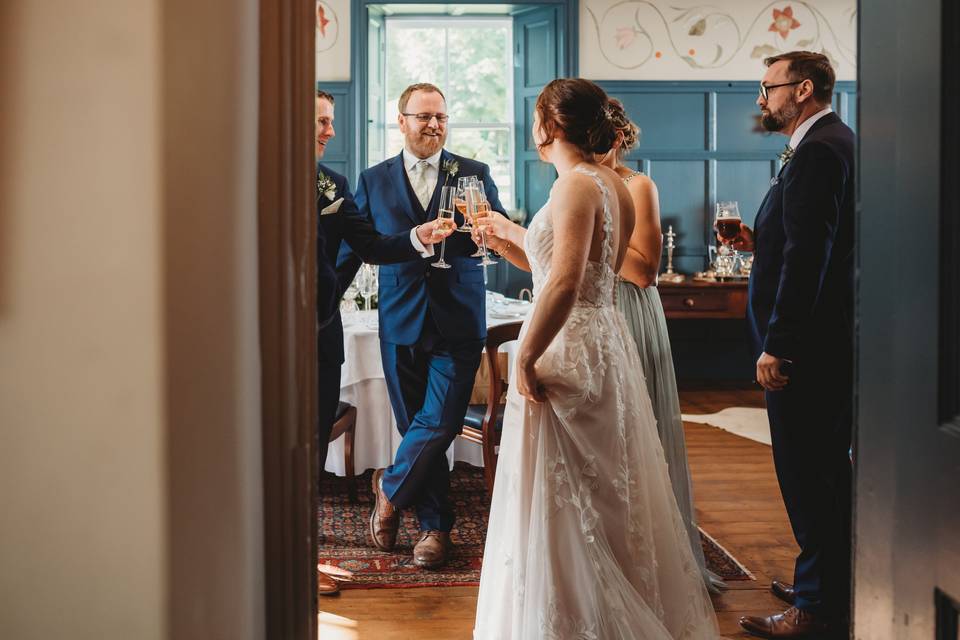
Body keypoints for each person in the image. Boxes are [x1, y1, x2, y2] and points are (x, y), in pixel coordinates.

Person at [472, 78, 719, 639]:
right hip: (605, 340)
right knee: (604, 490)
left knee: (565, 498)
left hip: (570, 348)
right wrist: (506, 241)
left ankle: (577, 620)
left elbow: (564, 283)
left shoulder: (573, 187)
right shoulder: (611, 182)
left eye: (535, 115)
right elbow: (568, 270)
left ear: (549, 125)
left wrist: (526, 358)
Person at [343, 83, 507, 569]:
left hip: (458, 317)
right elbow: (363, 246)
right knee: (414, 424)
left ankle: (389, 486)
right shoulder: (373, 180)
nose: (434, 125)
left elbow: (493, 230)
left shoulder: (472, 172)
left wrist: (489, 231)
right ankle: (434, 529)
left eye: (440, 117)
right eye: (423, 117)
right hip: (400, 318)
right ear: (402, 121)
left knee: (441, 421)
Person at [728, 52, 855, 638]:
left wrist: (779, 343)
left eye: (768, 87)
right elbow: (807, 240)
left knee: (810, 474)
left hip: (809, 349)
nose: (761, 98)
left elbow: (813, 258)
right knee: (820, 470)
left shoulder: (822, 150)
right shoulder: (826, 142)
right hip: (821, 341)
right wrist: (761, 242)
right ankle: (825, 581)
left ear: (802, 89)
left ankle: (817, 606)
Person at [314, 89, 453, 592]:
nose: (331, 131)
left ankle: (317, 546)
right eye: (323, 122)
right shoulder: (259, 177)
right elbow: (347, 254)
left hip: (337, 329)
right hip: (292, 331)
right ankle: (290, 555)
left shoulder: (333, 183)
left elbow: (366, 245)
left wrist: (420, 238)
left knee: (315, 437)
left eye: (441, 114)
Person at [597, 98, 726, 594]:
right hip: (592, 312)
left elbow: (645, 270)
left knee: (639, 435)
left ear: (614, 138)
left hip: (629, 311)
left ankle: (651, 560)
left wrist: (588, 238)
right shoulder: (573, 184)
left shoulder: (637, 185)